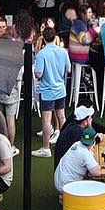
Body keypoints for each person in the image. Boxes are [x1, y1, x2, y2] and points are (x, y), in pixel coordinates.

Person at [33, 27, 70, 156]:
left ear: (43, 38)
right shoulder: (63, 52)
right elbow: (68, 69)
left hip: (47, 90)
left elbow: (38, 74)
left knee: (46, 120)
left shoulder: (42, 54)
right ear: (55, 37)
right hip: (60, 89)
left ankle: (46, 147)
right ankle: (65, 143)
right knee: (62, 117)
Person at [53, 127, 102, 192]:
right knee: (99, 185)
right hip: (66, 187)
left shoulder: (76, 144)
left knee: (87, 175)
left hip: (59, 181)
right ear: (93, 141)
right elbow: (97, 173)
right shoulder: (85, 154)